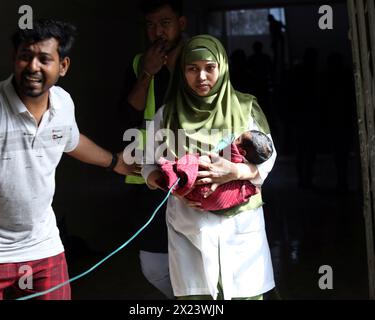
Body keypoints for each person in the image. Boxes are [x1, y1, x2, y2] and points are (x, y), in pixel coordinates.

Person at [0, 19, 135, 300]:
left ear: (63, 66)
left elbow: (70, 141)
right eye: (25, 57)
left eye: (44, 59)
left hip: (41, 244)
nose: (33, 66)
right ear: (14, 59)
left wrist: (114, 162)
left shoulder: (63, 103)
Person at [142, 34, 277, 300]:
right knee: (197, 300)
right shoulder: (166, 115)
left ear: (222, 67)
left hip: (240, 224)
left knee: (245, 294)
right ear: (182, 72)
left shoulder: (245, 108)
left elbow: (269, 159)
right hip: (189, 226)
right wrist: (173, 186)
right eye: (192, 69)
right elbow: (146, 164)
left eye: (209, 68)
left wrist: (234, 172)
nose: (201, 77)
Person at [116, 0, 187, 299]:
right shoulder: (139, 63)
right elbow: (128, 114)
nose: (158, 31)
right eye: (151, 24)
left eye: (165, 22)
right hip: (149, 176)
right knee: (153, 262)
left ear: (181, 23)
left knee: (196, 255)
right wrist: (148, 72)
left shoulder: (200, 60)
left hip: (192, 174)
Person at [158, 130, 274, 212]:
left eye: (238, 139)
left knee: (190, 164)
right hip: (194, 208)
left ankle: (169, 168)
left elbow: (266, 165)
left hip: (198, 193)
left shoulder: (232, 148)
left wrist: (236, 171)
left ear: (243, 152)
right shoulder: (252, 177)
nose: (235, 139)